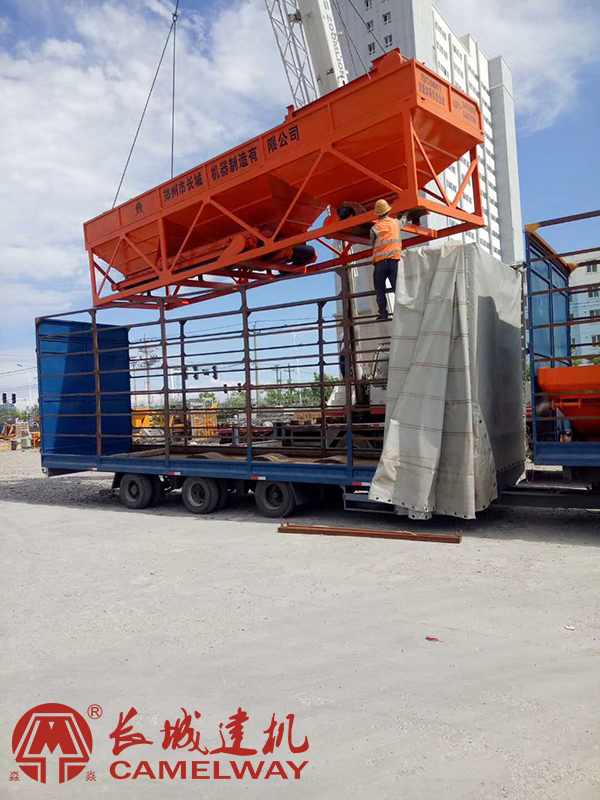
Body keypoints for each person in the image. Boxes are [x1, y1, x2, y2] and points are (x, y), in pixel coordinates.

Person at [370, 200, 424, 321]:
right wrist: (408, 211)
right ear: (388, 211)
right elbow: (404, 220)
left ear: (377, 214)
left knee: (379, 289)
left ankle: (383, 314)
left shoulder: (374, 228)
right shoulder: (396, 223)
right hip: (394, 261)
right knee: (398, 289)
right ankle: (404, 312)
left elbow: (373, 246)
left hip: (379, 263)